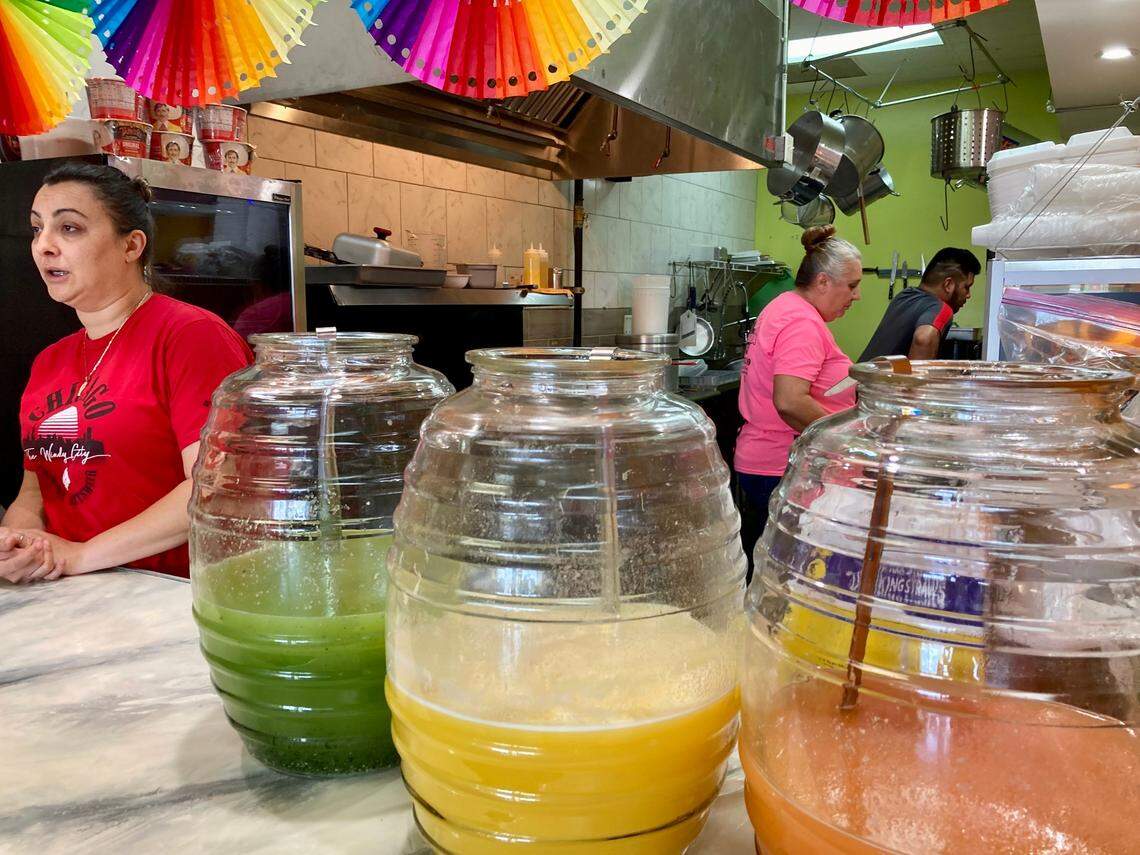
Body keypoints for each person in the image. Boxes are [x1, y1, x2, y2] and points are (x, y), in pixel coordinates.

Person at [0, 162, 252, 584]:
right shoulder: (49, 361)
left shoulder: (191, 336)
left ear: (131, 245)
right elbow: (37, 485)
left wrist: (82, 555)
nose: (44, 245)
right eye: (37, 228)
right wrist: (22, 541)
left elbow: (218, 487)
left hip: (172, 594)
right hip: (78, 594)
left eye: (70, 229)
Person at [735, 225, 862, 566]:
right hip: (781, 465)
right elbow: (790, 401)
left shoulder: (787, 307)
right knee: (788, 573)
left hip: (770, 461)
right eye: (852, 286)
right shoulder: (800, 322)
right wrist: (848, 438)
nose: (856, 296)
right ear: (823, 282)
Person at [859, 247, 981, 361]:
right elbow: (924, 339)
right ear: (948, 285)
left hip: (856, 380)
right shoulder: (942, 309)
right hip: (875, 383)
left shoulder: (903, 296)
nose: (968, 295)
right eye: (966, 287)